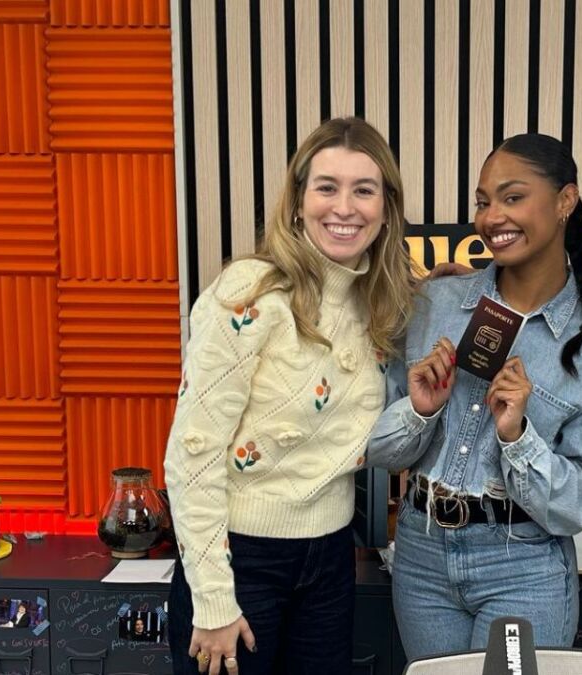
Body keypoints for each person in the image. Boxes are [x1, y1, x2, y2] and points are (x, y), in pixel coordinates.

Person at [366, 134, 582, 661]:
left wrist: (518, 438)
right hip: (421, 556)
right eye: (483, 201)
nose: (492, 217)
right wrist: (420, 410)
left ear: (565, 200)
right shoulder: (433, 305)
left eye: (513, 197)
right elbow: (377, 451)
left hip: (524, 566)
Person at [164, 117, 417, 675]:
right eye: (327, 187)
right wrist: (213, 598)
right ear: (298, 201)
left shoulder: (380, 304)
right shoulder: (249, 293)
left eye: (364, 190)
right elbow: (191, 454)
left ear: (386, 209)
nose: (344, 207)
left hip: (330, 559)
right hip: (239, 558)